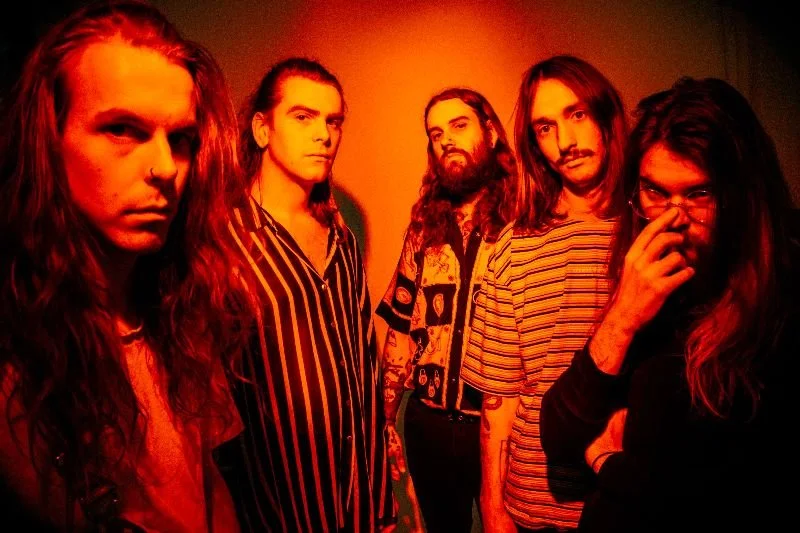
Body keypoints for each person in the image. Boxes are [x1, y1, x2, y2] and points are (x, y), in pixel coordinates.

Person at [0, 1, 253, 531]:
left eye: (180, 140)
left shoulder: (184, 312)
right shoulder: (19, 359)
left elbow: (209, 484)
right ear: (48, 141)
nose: (165, 168)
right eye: (121, 129)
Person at [539, 76, 798, 532]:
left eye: (699, 194)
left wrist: (606, 462)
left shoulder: (780, 303)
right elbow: (558, 435)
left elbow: (729, 496)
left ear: (741, 195)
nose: (674, 219)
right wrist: (622, 318)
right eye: (655, 192)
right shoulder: (650, 283)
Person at [222, 57, 395, 532]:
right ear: (263, 129)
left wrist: (381, 503)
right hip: (278, 512)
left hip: (357, 508)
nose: (323, 134)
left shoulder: (343, 239)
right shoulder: (225, 243)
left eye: (333, 121)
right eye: (304, 117)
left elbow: (365, 369)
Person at [460, 55, 628, 532]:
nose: (565, 141)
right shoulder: (514, 247)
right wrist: (493, 510)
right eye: (545, 128)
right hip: (536, 507)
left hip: (631, 501)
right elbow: (498, 401)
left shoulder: (648, 230)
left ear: (605, 115)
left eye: (577, 114)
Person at [376, 87, 516, 532]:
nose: (447, 140)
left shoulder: (525, 222)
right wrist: (385, 421)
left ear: (490, 133)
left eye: (459, 125)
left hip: (502, 427)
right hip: (429, 424)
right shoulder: (423, 228)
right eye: (436, 134)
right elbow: (400, 329)